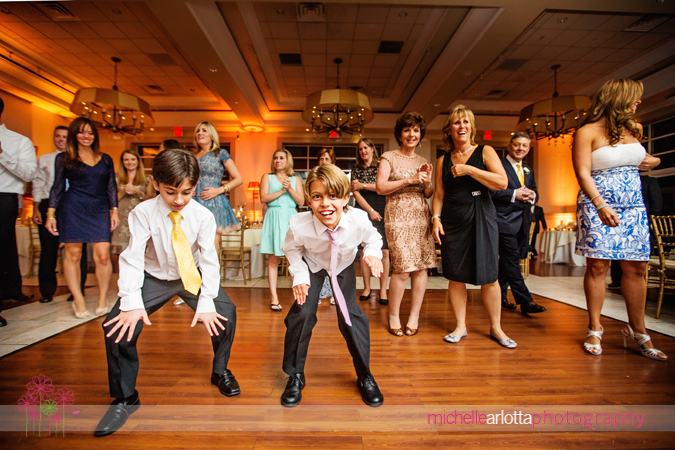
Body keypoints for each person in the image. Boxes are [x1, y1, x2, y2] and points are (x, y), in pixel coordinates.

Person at [95, 149, 239, 437]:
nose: (179, 200)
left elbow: (210, 260)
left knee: (226, 313)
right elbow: (133, 257)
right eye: (171, 192)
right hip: (154, 276)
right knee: (116, 327)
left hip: (191, 275)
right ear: (155, 183)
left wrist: (207, 301)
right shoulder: (142, 212)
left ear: (195, 186)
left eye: (187, 192)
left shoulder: (203, 215)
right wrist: (131, 302)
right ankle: (126, 397)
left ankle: (220, 370)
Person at [573, 78, 666, 361]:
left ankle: (639, 331)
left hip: (633, 206)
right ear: (619, 98)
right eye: (634, 97)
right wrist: (600, 204)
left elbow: (642, 157)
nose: (638, 102)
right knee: (598, 266)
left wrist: (655, 161)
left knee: (637, 268)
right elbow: (582, 172)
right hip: (597, 203)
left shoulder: (635, 128)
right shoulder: (587, 131)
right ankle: (594, 328)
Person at [281, 164, 384, 408]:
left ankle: (365, 374)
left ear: (346, 198)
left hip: (343, 265)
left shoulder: (358, 220)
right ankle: (295, 375)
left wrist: (372, 254)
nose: (325, 204)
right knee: (302, 314)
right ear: (309, 200)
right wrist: (300, 275)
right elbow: (291, 249)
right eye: (317, 197)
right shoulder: (299, 224)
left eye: (333, 196)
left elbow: (373, 239)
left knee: (350, 316)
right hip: (313, 265)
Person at [432, 105, 516, 349]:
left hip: (481, 214)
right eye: (457, 122)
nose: (462, 126)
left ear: (471, 127)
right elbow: (439, 194)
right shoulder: (442, 160)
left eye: (466, 122)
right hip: (453, 219)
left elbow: (502, 183)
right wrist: (435, 218)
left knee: (489, 275)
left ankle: (496, 327)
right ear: (449, 130)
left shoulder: (485, 151)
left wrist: (469, 169)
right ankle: (460, 326)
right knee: (455, 275)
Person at [45, 117, 119, 319]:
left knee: (103, 256)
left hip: (100, 208)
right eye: (82, 132)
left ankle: (103, 298)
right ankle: (78, 299)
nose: (87, 136)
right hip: (73, 207)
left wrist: (114, 210)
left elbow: (111, 187)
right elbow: (57, 187)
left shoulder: (105, 159)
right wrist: (50, 213)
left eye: (90, 132)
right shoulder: (64, 158)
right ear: (74, 134)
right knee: (74, 255)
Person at [376, 111, 436, 337]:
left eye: (416, 130)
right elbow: (381, 187)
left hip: (420, 216)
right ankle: (393, 316)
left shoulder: (422, 161)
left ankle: (414, 316)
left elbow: (427, 193)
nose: (412, 134)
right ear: (400, 134)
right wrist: (409, 180)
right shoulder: (388, 157)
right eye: (407, 130)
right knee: (402, 269)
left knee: (421, 268)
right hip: (397, 216)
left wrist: (427, 182)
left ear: (421, 134)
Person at [490, 132, 546, 313]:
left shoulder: (528, 170)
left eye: (524, 145)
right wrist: (515, 194)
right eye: (517, 144)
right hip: (503, 220)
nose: (520, 148)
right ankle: (526, 301)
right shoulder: (498, 165)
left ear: (528, 149)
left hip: (523, 222)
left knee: (507, 262)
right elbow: (490, 191)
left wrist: (532, 196)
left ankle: (501, 297)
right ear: (509, 146)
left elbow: (534, 191)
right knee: (512, 260)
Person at [32, 126, 87, 303]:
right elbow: (38, 184)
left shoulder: (82, 158)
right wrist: (36, 208)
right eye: (58, 136)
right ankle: (47, 291)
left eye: (65, 136)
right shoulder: (45, 159)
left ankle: (77, 289)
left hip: (75, 204)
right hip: (49, 204)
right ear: (54, 138)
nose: (61, 139)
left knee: (78, 249)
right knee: (48, 249)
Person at [0, 96, 37, 327]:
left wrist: (2, 155)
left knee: (3, 248)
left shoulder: (19, 141)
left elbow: (29, 174)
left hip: (4, 198)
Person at [260, 148, 304, 311]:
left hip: (291, 218)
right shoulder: (267, 177)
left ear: (288, 161)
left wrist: (290, 188)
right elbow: (263, 198)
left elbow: (301, 201)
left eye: (281, 158)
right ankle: (274, 297)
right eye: (275, 158)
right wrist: (282, 191)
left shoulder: (295, 179)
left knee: (293, 260)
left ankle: (299, 297)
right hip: (274, 217)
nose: (278, 161)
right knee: (273, 259)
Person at [351, 138, 390, 305]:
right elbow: (355, 193)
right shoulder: (356, 169)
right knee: (363, 251)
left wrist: (363, 185)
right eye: (360, 149)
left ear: (373, 149)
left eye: (366, 147)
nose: (363, 151)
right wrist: (370, 211)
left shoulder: (382, 166)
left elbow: (383, 187)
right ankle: (367, 288)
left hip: (383, 207)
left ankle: (383, 290)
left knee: (385, 251)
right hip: (364, 209)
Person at [193, 121, 243, 249]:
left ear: (212, 135)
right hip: (194, 202)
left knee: (210, 248)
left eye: (204, 130)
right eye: (198, 130)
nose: (200, 133)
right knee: (194, 246)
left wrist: (218, 190)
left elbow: (238, 179)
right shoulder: (192, 156)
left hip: (213, 201)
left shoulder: (220, 153)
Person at [609, 173, 662, 287]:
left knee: (619, 251)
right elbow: (656, 205)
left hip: (627, 220)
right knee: (628, 254)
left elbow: (656, 205)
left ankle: (619, 281)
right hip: (635, 221)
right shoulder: (648, 181)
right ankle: (621, 281)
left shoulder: (646, 181)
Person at [112, 150, 154, 254]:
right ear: (122, 162)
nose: (129, 162)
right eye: (126, 159)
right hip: (121, 217)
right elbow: (111, 200)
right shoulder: (116, 178)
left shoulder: (147, 178)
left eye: (133, 159)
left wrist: (138, 192)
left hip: (139, 217)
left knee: (139, 248)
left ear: (138, 161)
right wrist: (123, 191)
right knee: (121, 252)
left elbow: (151, 200)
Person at [316, 148, 336, 305]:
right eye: (321, 159)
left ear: (332, 161)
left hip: (333, 218)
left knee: (333, 256)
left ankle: (334, 293)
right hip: (318, 217)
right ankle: (317, 292)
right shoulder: (314, 177)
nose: (324, 161)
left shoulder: (336, 177)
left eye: (327, 159)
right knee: (317, 255)